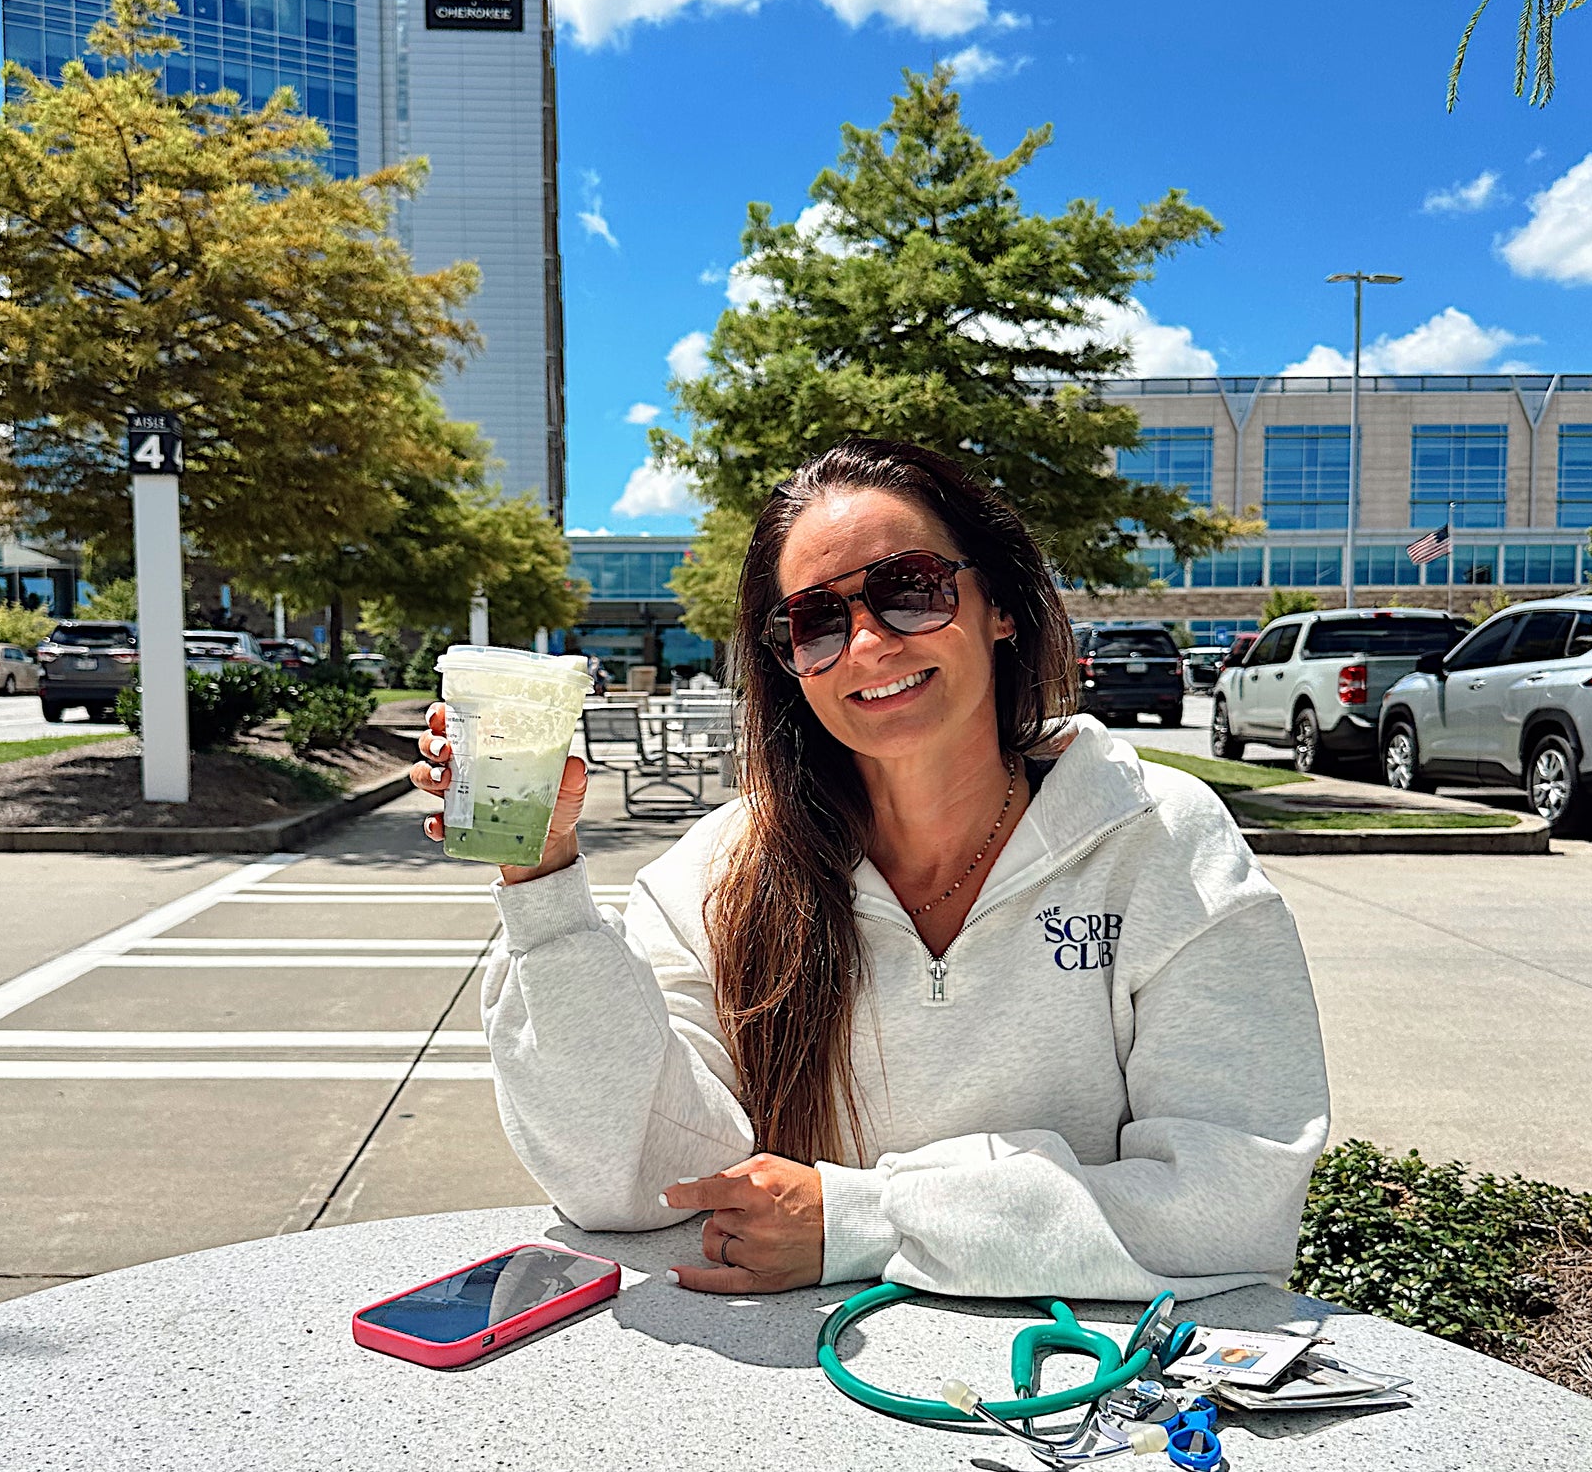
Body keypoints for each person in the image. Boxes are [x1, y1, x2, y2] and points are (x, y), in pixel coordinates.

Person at [411, 437, 1328, 1300]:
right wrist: (544, 886)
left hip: (1082, 1390)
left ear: (1001, 605)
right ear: (788, 663)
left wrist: (866, 1220)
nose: (867, 645)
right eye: (813, 621)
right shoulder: (719, 874)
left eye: (910, 589)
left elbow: (1234, 1198)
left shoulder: (1157, 841)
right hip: (808, 1394)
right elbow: (635, 1179)